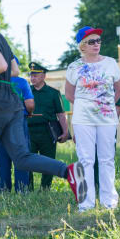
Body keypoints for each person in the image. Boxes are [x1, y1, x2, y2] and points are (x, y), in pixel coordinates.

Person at [0, 0, 87, 231]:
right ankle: (68, 171)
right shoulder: (1, 38)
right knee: (22, 157)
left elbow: (1, 64)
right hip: (13, 104)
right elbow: (13, 70)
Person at [65, 26, 120, 212]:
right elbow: (68, 94)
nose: (96, 44)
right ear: (82, 45)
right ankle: (85, 203)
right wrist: (87, 106)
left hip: (107, 119)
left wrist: (104, 105)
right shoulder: (74, 67)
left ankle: (109, 202)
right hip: (83, 119)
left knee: (107, 159)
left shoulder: (110, 63)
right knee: (85, 160)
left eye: (98, 40)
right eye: (91, 41)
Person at [0, 55, 34, 193]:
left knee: (1, 157)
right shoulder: (22, 82)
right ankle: (22, 190)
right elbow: (30, 104)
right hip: (18, 123)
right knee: (21, 155)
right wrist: (29, 112)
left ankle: (2, 190)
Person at [27, 62, 69, 191]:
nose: (32, 78)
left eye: (36, 75)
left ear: (43, 76)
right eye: (31, 75)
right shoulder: (26, 91)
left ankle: (45, 189)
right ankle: (28, 188)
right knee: (28, 161)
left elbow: (61, 114)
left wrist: (65, 132)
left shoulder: (53, 93)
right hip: (30, 132)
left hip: (47, 131)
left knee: (49, 161)